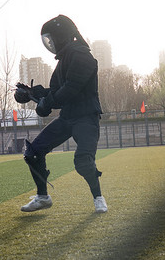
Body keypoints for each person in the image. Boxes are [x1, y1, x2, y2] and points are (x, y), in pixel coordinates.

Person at [14, 15, 108, 213]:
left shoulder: (83, 56)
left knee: (83, 160)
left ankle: (98, 197)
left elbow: (70, 89)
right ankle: (42, 197)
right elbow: (56, 90)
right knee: (33, 153)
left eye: (51, 38)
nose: (50, 43)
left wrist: (46, 104)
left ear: (61, 36)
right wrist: (32, 94)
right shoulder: (64, 59)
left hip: (86, 117)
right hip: (67, 117)